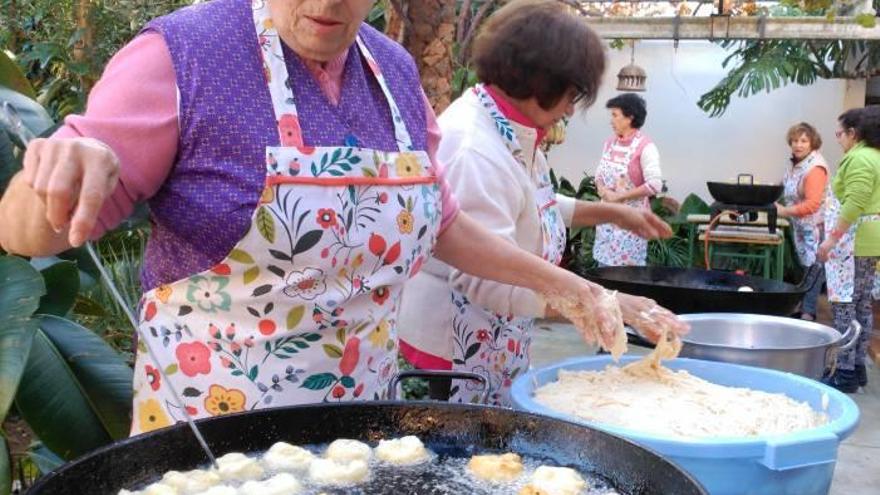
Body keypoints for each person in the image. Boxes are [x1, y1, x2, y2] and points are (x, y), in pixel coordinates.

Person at [0, 0, 674, 434]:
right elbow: (26, 232)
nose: (327, 4)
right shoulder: (182, 56)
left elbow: (443, 223)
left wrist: (580, 289)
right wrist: (62, 168)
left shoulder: (394, 71)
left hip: (362, 422)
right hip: (215, 431)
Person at [398, 0, 686, 406]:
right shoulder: (472, 148)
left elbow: (534, 205)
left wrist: (613, 213)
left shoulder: (511, 126)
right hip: (457, 343)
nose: (570, 109)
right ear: (538, 79)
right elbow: (484, 279)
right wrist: (601, 303)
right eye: (569, 95)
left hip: (500, 330)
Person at [818, 106, 880, 393]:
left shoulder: (860, 159)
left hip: (852, 241)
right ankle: (856, 370)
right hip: (867, 241)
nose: (839, 139)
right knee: (862, 305)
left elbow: (855, 201)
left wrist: (831, 238)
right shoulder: (875, 156)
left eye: (839, 134)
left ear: (854, 134)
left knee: (844, 307)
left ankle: (843, 374)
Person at [592, 93, 664, 267]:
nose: (611, 120)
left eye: (615, 115)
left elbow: (655, 185)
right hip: (606, 222)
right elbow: (598, 176)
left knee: (626, 279)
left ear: (630, 117)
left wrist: (620, 197)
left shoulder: (646, 147)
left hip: (631, 224)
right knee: (604, 277)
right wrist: (602, 190)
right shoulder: (609, 144)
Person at [776, 123, 829, 321]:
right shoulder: (796, 163)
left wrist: (784, 210)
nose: (798, 145)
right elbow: (784, 185)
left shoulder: (815, 168)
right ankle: (803, 308)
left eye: (804, 141)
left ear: (812, 143)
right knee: (808, 270)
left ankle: (808, 314)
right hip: (802, 226)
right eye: (795, 141)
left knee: (814, 272)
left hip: (817, 228)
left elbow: (812, 204)